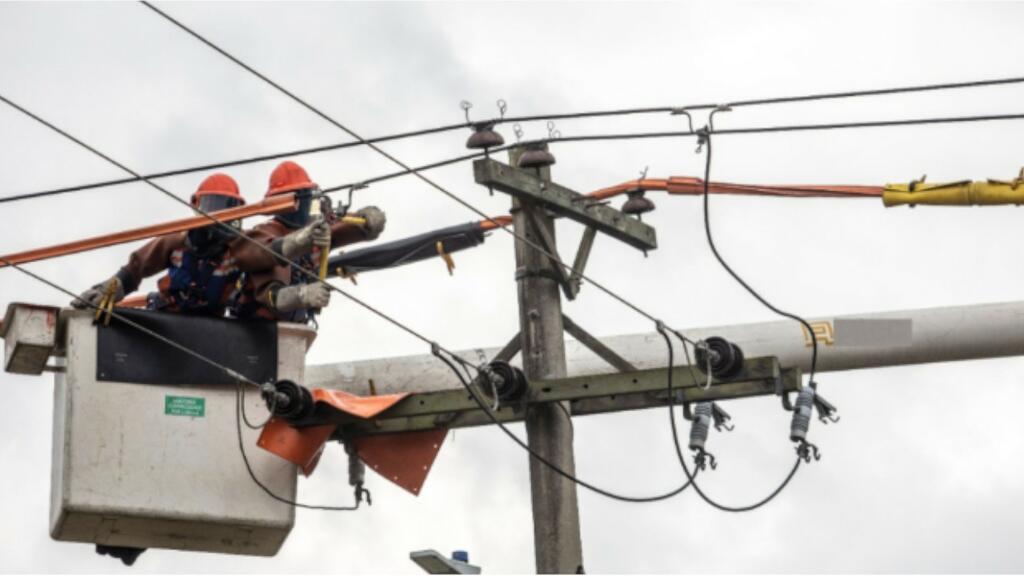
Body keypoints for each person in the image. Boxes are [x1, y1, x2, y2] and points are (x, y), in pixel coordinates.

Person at [72, 173, 252, 316]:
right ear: (197, 206)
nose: (218, 214)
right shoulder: (178, 241)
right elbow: (137, 266)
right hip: (169, 318)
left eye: (227, 207)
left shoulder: (240, 248)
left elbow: (263, 253)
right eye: (214, 205)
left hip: (212, 326)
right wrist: (108, 291)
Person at [230, 161, 386, 322]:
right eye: (297, 197)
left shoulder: (317, 229)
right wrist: (302, 295)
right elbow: (273, 294)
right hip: (255, 328)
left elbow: (348, 226)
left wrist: (368, 219)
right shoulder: (267, 232)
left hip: (295, 329)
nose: (302, 205)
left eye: (306, 195)